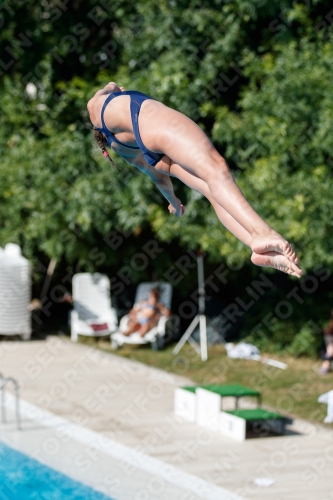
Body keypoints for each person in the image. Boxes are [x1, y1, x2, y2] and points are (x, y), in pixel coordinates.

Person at [87, 82, 303, 278]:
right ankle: (260, 233)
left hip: (156, 155)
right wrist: (115, 90)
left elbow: (158, 177)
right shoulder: (95, 105)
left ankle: (254, 246)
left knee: (212, 190)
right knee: (216, 169)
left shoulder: (117, 145)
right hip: (157, 125)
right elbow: (111, 85)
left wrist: (173, 203)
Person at [319, 310, 333, 375]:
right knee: (330, 349)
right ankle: (326, 365)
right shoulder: (328, 331)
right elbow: (330, 349)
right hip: (330, 353)